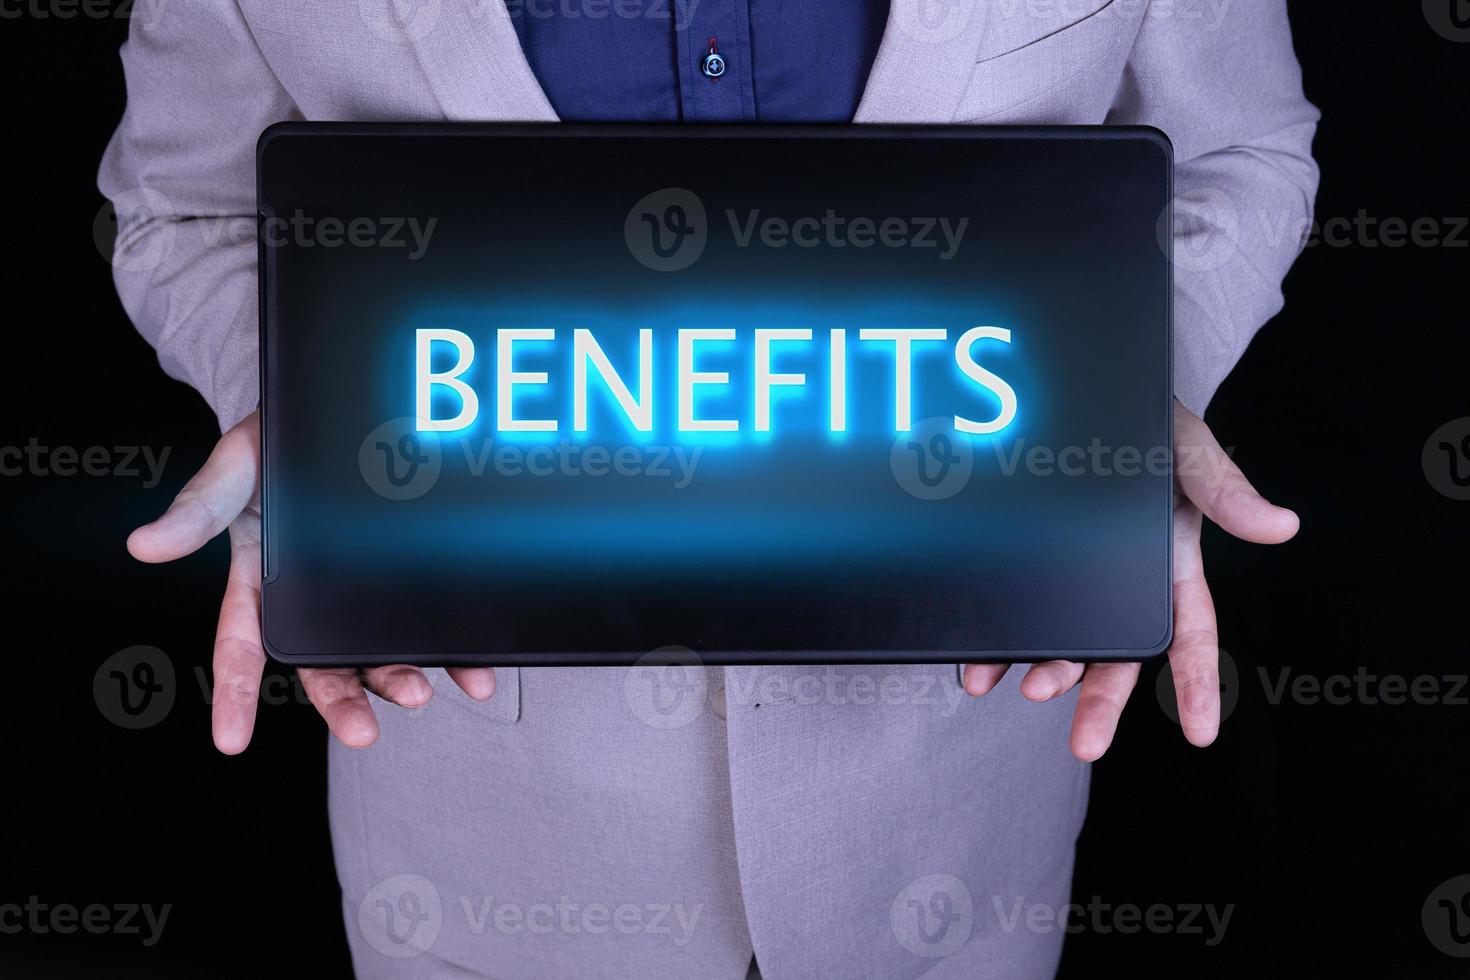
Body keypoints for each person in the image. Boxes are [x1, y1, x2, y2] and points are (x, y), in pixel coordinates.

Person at [99, 1, 1317, 977]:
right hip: (495, 847)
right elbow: (185, 209)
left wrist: (1112, 398)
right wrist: (318, 405)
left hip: (948, 833)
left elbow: (1239, 153)